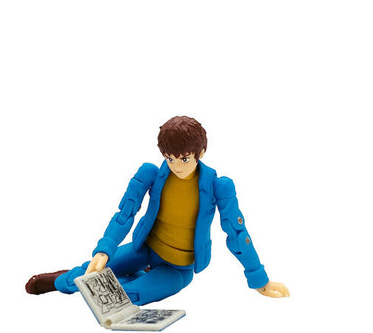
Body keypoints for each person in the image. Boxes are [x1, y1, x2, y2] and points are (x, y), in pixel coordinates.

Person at [26, 116, 289, 305]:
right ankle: (60, 281)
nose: (177, 166)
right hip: (145, 248)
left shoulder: (218, 186)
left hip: (178, 269)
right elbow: (125, 214)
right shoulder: (151, 174)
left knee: (125, 297)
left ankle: (133, 278)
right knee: (89, 274)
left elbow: (237, 234)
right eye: (170, 158)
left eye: (184, 159)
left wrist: (259, 278)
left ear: (200, 153)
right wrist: (105, 249)